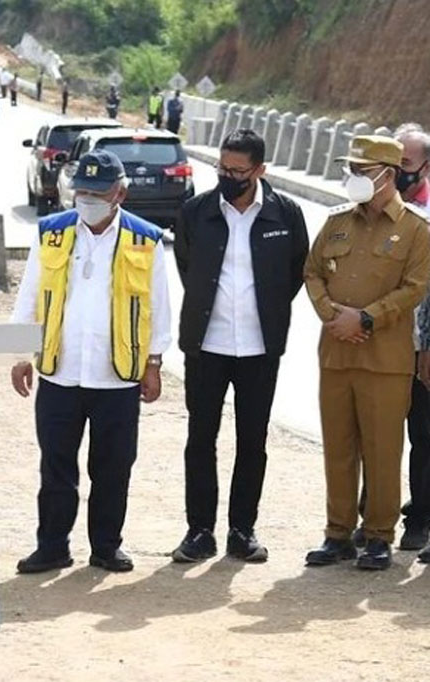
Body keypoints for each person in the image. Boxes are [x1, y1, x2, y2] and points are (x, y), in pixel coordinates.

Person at [11, 151, 171, 574]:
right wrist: (19, 354)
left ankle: (105, 546)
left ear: (120, 192)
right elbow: (29, 296)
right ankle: (52, 546)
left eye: (97, 193)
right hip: (59, 371)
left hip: (116, 376)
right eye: (82, 191)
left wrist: (154, 362)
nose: (88, 200)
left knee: (113, 468)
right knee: (56, 466)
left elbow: (159, 307)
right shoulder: (50, 233)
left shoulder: (145, 239)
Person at [171, 130, 309, 563]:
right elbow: (188, 269)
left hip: (259, 348)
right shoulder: (196, 212)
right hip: (206, 345)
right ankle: (199, 531)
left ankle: (242, 530)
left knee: (252, 441)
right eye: (222, 169)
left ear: (260, 170)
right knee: (200, 438)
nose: (227, 177)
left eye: (237, 171)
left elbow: (295, 273)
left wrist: (263, 310)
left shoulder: (286, 214)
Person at [303, 135, 430, 571]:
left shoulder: (416, 229)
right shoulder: (337, 222)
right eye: (351, 170)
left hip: (385, 361)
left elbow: (415, 288)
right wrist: (331, 315)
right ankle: (337, 532)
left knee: (382, 449)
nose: (353, 178)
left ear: (388, 175)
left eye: (361, 171)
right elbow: (313, 271)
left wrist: (367, 319)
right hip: (336, 353)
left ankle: (378, 535)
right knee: (338, 448)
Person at [395, 124, 430, 558]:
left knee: (423, 436)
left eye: (404, 164)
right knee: (376, 437)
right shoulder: (366, 211)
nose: (397, 173)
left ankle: (419, 519)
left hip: (420, 348)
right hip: (378, 345)